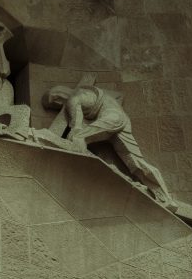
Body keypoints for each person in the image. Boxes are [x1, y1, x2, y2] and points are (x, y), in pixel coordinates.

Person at [44, 84, 176, 208]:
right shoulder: (88, 92)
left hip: (111, 118)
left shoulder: (74, 98)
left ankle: (88, 171)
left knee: (78, 138)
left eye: (54, 105)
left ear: (57, 99)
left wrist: (63, 138)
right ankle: (165, 197)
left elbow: (76, 127)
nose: (58, 107)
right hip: (121, 119)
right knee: (135, 161)